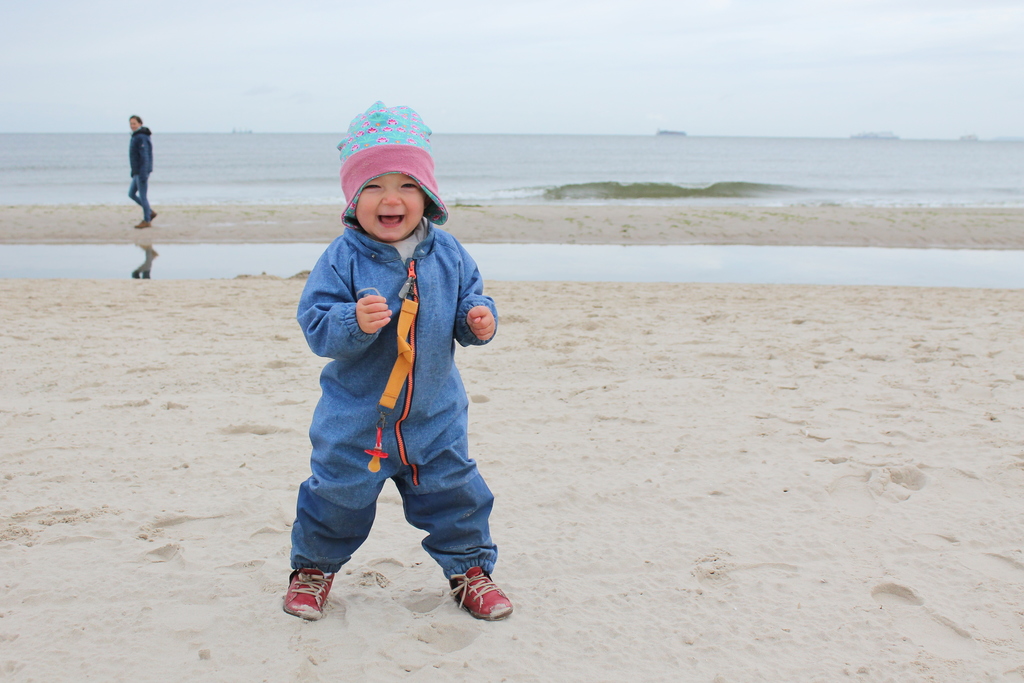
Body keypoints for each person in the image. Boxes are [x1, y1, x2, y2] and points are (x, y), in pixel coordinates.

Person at [283, 102, 512, 622]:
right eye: (373, 186)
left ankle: (470, 570)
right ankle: (313, 570)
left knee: (457, 496)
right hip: (355, 420)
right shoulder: (341, 258)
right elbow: (316, 325)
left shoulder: (449, 253)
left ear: (427, 197)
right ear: (352, 199)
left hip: (434, 417)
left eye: (406, 184)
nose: (391, 198)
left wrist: (479, 321)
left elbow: (471, 302)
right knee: (336, 497)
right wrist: (351, 322)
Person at [128, 115, 156, 229]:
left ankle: (147, 220)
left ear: (140, 124)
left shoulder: (142, 137)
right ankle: (149, 211)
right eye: (131, 124)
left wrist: (144, 173)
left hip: (142, 172)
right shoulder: (135, 136)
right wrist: (133, 171)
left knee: (143, 196)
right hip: (137, 171)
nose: (132, 126)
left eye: (134, 123)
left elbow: (145, 157)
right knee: (131, 194)